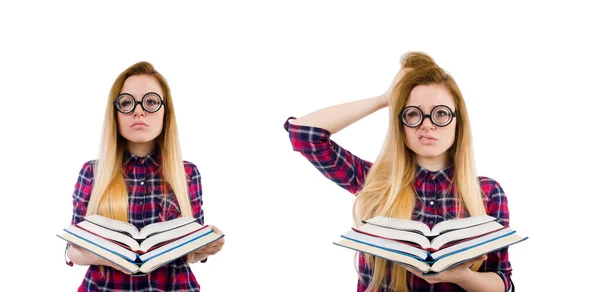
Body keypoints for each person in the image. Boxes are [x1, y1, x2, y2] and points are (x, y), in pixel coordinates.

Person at [283, 52, 513, 292]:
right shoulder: (375, 183)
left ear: (458, 122)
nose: (427, 124)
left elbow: (503, 282)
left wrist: (461, 277)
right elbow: (304, 134)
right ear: (400, 123)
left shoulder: (487, 192)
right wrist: (384, 99)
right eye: (413, 113)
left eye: (441, 113)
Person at [65, 61, 225, 291]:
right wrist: (106, 256)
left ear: (165, 112)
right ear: (115, 114)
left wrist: (208, 245)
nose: (138, 111)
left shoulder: (187, 173)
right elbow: (73, 249)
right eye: (127, 103)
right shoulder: (92, 172)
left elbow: (191, 251)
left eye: (150, 102)